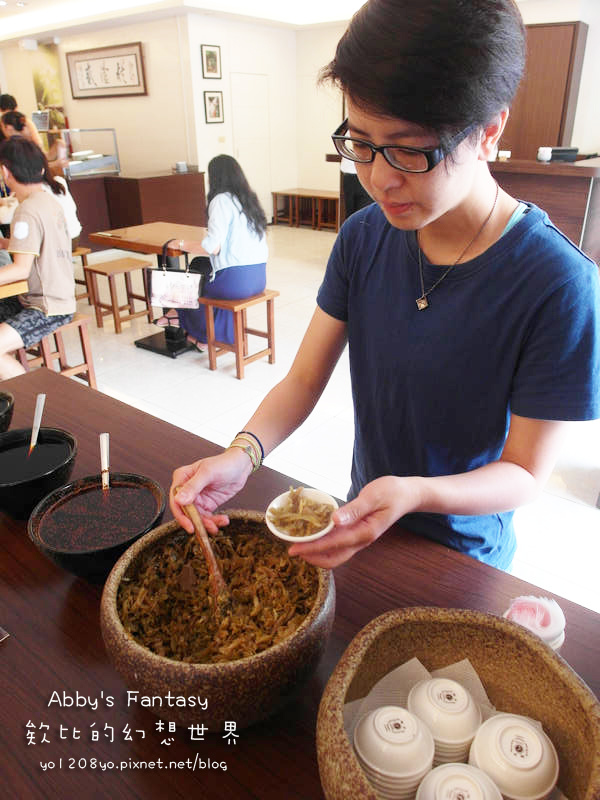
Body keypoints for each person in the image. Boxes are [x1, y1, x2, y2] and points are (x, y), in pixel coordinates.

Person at [170, 0, 600, 572]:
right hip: (363, 523)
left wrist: (416, 493)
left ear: (489, 130)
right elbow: (302, 380)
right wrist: (242, 454)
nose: (379, 178)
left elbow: (524, 474)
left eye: (408, 150)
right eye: (362, 143)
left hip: (463, 557)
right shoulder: (363, 237)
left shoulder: (557, 284)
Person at [156, 154, 268, 348]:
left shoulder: (221, 200)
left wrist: (180, 244)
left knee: (193, 284)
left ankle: (184, 321)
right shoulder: (249, 200)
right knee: (200, 266)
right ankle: (199, 332)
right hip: (257, 278)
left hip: (235, 283)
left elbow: (213, 247)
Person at [0, 136, 75, 380]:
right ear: (41, 169)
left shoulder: (26, 210)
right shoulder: (48, 201)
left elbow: (21, 270)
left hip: (47, 306)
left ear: (5, 171)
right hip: (57, 296)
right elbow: (38, 244)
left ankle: (33, 406)